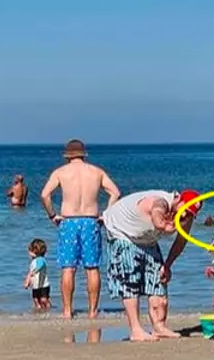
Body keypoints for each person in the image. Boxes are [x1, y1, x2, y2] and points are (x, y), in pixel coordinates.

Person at [100, 188, 202, 342]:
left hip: (146, 239)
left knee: (159, 280)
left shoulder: (186, 218)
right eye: (185, 210)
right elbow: (158, 220)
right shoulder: (160, 201)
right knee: (130, 280)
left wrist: (168, 265)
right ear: (178, 200)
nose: (186, 215)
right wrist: (169, 226)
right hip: (122, 232)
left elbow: (181, 242)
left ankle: (159, 327)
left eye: (191, 214)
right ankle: (136, 330)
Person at [39, 139, 121, 319]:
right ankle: (93, 311)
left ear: (67, 156)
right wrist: (105, 214)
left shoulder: (61, 172)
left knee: (68, 268)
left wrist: (52, 215)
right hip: (91, 220)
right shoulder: (96, 172)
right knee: (92, 268)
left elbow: (45, 195)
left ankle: (67, 311)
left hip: (68, 221)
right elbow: (115, 192)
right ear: (83, 154)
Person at [23, 238, 51, 312]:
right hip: (35, 285)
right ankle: (39, 310)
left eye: (30, 251)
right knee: (36, 299)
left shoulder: (40, 259)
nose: (28, 253)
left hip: (43, 285)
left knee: (43, 299)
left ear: (34, 251)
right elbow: (30, 273)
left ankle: (48, 307)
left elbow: (40, 265)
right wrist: (27, 282)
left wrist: (35, 271)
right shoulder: (33, 261)